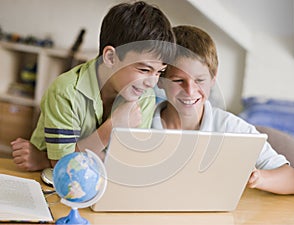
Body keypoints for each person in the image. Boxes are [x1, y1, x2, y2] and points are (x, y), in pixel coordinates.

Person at [11, 1, 175, 171]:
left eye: (159, 72)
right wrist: (111, 127)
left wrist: (45, 158)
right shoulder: (66, 92)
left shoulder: (145, 96)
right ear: (111, 57)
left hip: (100, 183)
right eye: (144, 69)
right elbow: (64, 165)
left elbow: (126, 162)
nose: (152, 82)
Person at [152, 25, 294, 195]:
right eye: (178, 80)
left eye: (199, 80)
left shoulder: (229, 127)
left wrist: (258, 178)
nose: (190, 91)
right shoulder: (142, 124)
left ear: (213, 79)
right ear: (160, 80)